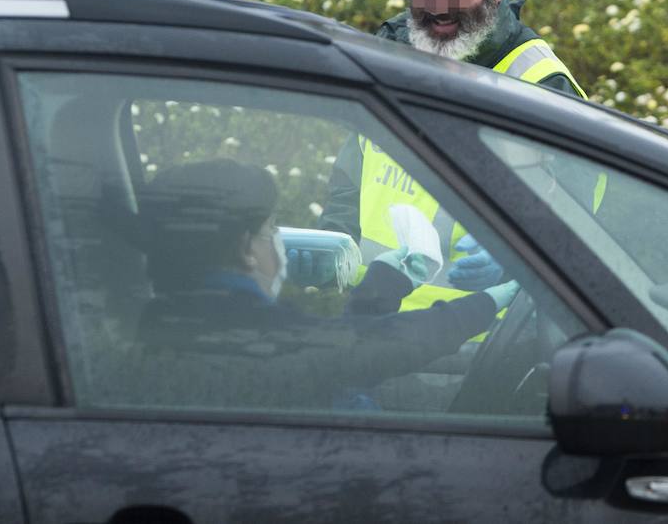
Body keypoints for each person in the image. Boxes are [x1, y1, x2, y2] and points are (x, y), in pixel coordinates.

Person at [319, 0, 600, 311]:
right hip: (369, 327)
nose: (437, 7)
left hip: (476, 350)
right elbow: (350, 179)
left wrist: (517, 258)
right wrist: (327, 254)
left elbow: (583, 216)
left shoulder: (539, 82)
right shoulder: (385, 56)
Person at [135, 158, 518, 410]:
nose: (280, 243)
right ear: (245, 248)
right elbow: (367, 349)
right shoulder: (247, 337)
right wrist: (488, 302)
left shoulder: (173, 324)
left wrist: (387, 281)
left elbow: (338, 350)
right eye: (271, 230)